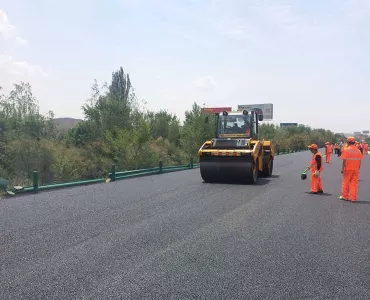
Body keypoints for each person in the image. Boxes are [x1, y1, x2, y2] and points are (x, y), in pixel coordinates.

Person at [339, 136, 363, 202]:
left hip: (347, 169)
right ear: (354, 142)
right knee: (354, 184)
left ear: (348, 142)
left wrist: (342, 169)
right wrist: (358, 169)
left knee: (345, 183)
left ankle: (345, 196)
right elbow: (360, 161)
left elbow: (344, 161)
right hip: (355, 170)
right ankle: (353, 198)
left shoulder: (346, 150)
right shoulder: (358, 151)